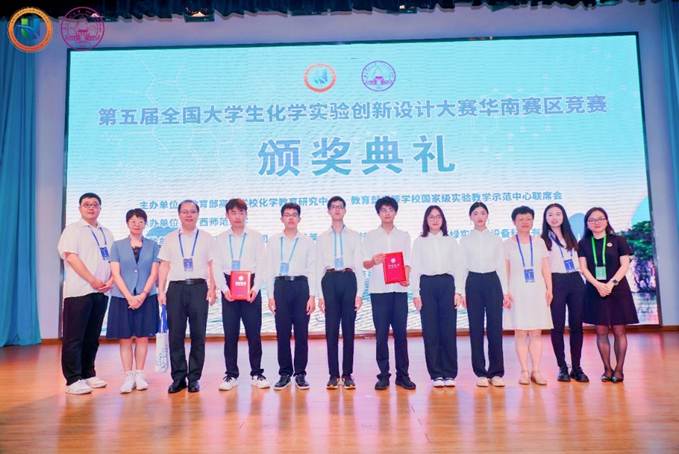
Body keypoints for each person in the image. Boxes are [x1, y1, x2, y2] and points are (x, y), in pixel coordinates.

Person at [57, 193, 114, 395]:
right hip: (79, 291)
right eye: (87, 204)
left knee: (92, 336)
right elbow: (71, 257)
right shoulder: (73, 230)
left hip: (101, 292)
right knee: (74, 337)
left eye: (95, 204)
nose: (91, 208)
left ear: (100, 208)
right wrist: (92, 280)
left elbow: (112, 260)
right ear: (80, 208)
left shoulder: (106, 232)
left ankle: (88, 373)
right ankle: (73, 379)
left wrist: (110, 281)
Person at [158, 200, 217, 393]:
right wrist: (161, 290)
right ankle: (178, 378)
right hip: (175, 289)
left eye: (192, 211)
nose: (189, 215)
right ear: (179, 215)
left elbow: (212, 265)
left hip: (199, 288)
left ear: (198, 214)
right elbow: (164, 265)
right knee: (176, 335)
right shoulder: (170, 238)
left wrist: (212, 288)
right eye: (185, 212)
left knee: (198, 335)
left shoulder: (207, 238)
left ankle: (194, 378)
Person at [214, 199, 270, 391]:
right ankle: (231, 374)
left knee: (254, 333)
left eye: (241, 212)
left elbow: (262, 264)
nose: (237, 216)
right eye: (233, 213)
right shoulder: (220, 239)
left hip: (250, 287)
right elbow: (216, 266)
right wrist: (224, 289)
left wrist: (256, 287)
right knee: (230, 334)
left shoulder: (256, 237)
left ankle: (257, 373)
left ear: (246, 214)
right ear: (227, 215)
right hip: (229, 286)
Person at [578, 207, 638, 383]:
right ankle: (607, 369)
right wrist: (598, 285)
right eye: (592, 220)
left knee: (619, 331)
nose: (596, 222)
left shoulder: (618, 240)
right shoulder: (583, 243)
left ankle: (619, 370)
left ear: (606, 220)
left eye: (600, 218)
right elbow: (583, 268)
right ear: (587, 224)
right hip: (595, 290)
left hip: (618, 290)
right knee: (601, 331)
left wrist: (611, 284)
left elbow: (624, 265)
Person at [363, 196, 415, 391]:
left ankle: (403, 375)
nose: (387, 213)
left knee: (401, 334)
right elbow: (364, 263)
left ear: (395, 212)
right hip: (379, 291)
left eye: (390, 210)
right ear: (378, 213)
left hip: (399, 291)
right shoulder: (370, 236)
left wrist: (406, 278)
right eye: (383, 210)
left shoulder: (404, 235)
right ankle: (383, 375)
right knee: (381, 335)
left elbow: (407, 262)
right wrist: (373, 261)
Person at [106, 208, 160, 393]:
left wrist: (143, 294)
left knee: (143, 337)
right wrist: (129, 296)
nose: (137, 224)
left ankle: (140, 374)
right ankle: (128, 376)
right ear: (127, 223)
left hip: (147, 297)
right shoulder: (117, 246)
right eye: (133, 221)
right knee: (125, 338)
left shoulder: (153, 245)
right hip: (122, 297)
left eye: (140, 221)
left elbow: (154, 273)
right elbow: (115, 273)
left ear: (145, 224)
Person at [410, 205, 464, 388]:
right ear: (426, 220)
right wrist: (415, 293)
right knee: (431, 331)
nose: (435, 220)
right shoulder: (419, 242)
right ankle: (436, 374)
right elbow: (415, 269)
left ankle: (449, 373)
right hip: (427, 286)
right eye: (431, 217)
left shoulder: (451, 241)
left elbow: (458, 267)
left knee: (448, 330)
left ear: (443, 220)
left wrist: (458, 291)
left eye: (438, 216)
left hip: (447, 285)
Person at [267, 203, 316, 391]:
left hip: (301, 287)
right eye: (287, 215)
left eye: (294, 214)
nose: (290, 218)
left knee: (302, 333)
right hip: (280, 287)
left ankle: (300, 373)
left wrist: (312, 296)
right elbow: (269, 269)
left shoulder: (307, 241)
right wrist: (270, 296)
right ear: (281, 219)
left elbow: (312, 269)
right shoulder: (273, 241)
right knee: (283, 333)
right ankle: (285, 373)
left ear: (299, 219)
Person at [316, 196, 364, 390]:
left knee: (349, 330)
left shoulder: (354, 236)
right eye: (333, 207)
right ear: (328, 211)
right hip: (329, 280)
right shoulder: (321, 237)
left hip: (348, 279)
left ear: (345, 211)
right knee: (331, 330)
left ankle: (347, 374)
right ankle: (333, 375)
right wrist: (320, 296)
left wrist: (360, 293)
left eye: (340, 207)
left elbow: (359, 266)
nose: (337, 210)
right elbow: (318, 267)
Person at [459, 202, 508, 388]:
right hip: (473, 282)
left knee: (495, 327)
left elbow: (501, 266)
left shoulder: (496, 239)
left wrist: (505, 291)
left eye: (483, 213)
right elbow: (462, 267)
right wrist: (461, 292)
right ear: (470, 217)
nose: (479, 216)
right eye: (475, 213)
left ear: (487, 216)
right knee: (476, 328)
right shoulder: (465, 240)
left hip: (492, 282)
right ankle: (480, 372)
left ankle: (496, 372)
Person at [504, 206, 553, 385]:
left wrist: (550, 288)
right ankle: (524, 371)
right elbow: (505, 271)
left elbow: (545, 268)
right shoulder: (507, 244)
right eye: (521, 219)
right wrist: (505, 292)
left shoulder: (539, 242)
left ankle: (536, 371)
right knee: (520, 332)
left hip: (537, 291)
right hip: (517, 292)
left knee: (536, 333)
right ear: (514, 222)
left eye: (528, 219)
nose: (525, 222)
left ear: (533, 221)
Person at [541, 203, 589, 383]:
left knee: (577, 325)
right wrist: (548, 288)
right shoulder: (542, 240)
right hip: (556, 281)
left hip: (575, 281)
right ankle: (562, 367)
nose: (554, 218)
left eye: (558, 214)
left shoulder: (572, 236)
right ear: (545, 218)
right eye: (550, 214)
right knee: (557, 326)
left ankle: (577, 367)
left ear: (563, 217)